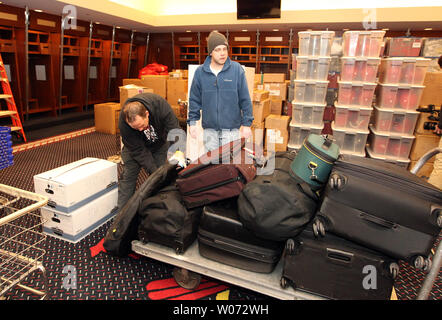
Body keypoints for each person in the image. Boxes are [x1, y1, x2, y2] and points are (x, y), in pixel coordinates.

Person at [188, 30, 254, 152]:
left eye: (224, 49)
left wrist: (247, 124)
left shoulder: (236, 70)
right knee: (212, 166)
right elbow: (194, 99)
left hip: (231, 131)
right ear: (210, 52)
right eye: (217, 50)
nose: (222, 53)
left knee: (229, 166)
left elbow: (245, 99)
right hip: (209, 131)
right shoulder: (200, 72)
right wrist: (192, 122)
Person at [117, 92, 182, 210]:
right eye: (136, 128)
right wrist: (153, 171)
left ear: (147, 114)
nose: (141, 130)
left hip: (159, 144)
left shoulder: (160, 105)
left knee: (162, 178)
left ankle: (162, 210)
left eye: (142, 125)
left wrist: (177, 154)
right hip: (134, 147)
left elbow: (175, 131)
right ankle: (122, 216)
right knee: (128, 178)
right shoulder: (123, 121)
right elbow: (138, 151)